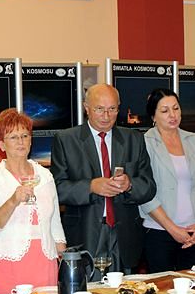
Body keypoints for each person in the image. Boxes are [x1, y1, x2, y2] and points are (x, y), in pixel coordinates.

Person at [51, 84, 155, 274]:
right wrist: (90, 186)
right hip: (84, 231)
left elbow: (149, 187)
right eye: (100, 109)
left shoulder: (134, 139)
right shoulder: (66, 140)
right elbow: (57, 189)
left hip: (124, 235)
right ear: (86, 107)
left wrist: (129, 184)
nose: (106, 116)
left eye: (112, 109)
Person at [0, 108, 66, 294]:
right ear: (1, 144)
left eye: (25, 135)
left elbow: (55, 223)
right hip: (5, 262)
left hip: (43, 261)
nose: (21, 141)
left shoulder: (45, 175)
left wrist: (62, 255)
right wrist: (13, 200)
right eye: (13, 137)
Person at [140, 89, 195, 272]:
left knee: (194, 291)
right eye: (164, 111)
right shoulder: (145, 142)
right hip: (159, 231)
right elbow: (145, 195)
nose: (172, 115)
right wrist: (173, 229)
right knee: (163, 293)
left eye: (176, 108)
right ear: (153, 116)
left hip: (193, 232)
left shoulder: (193, 140)